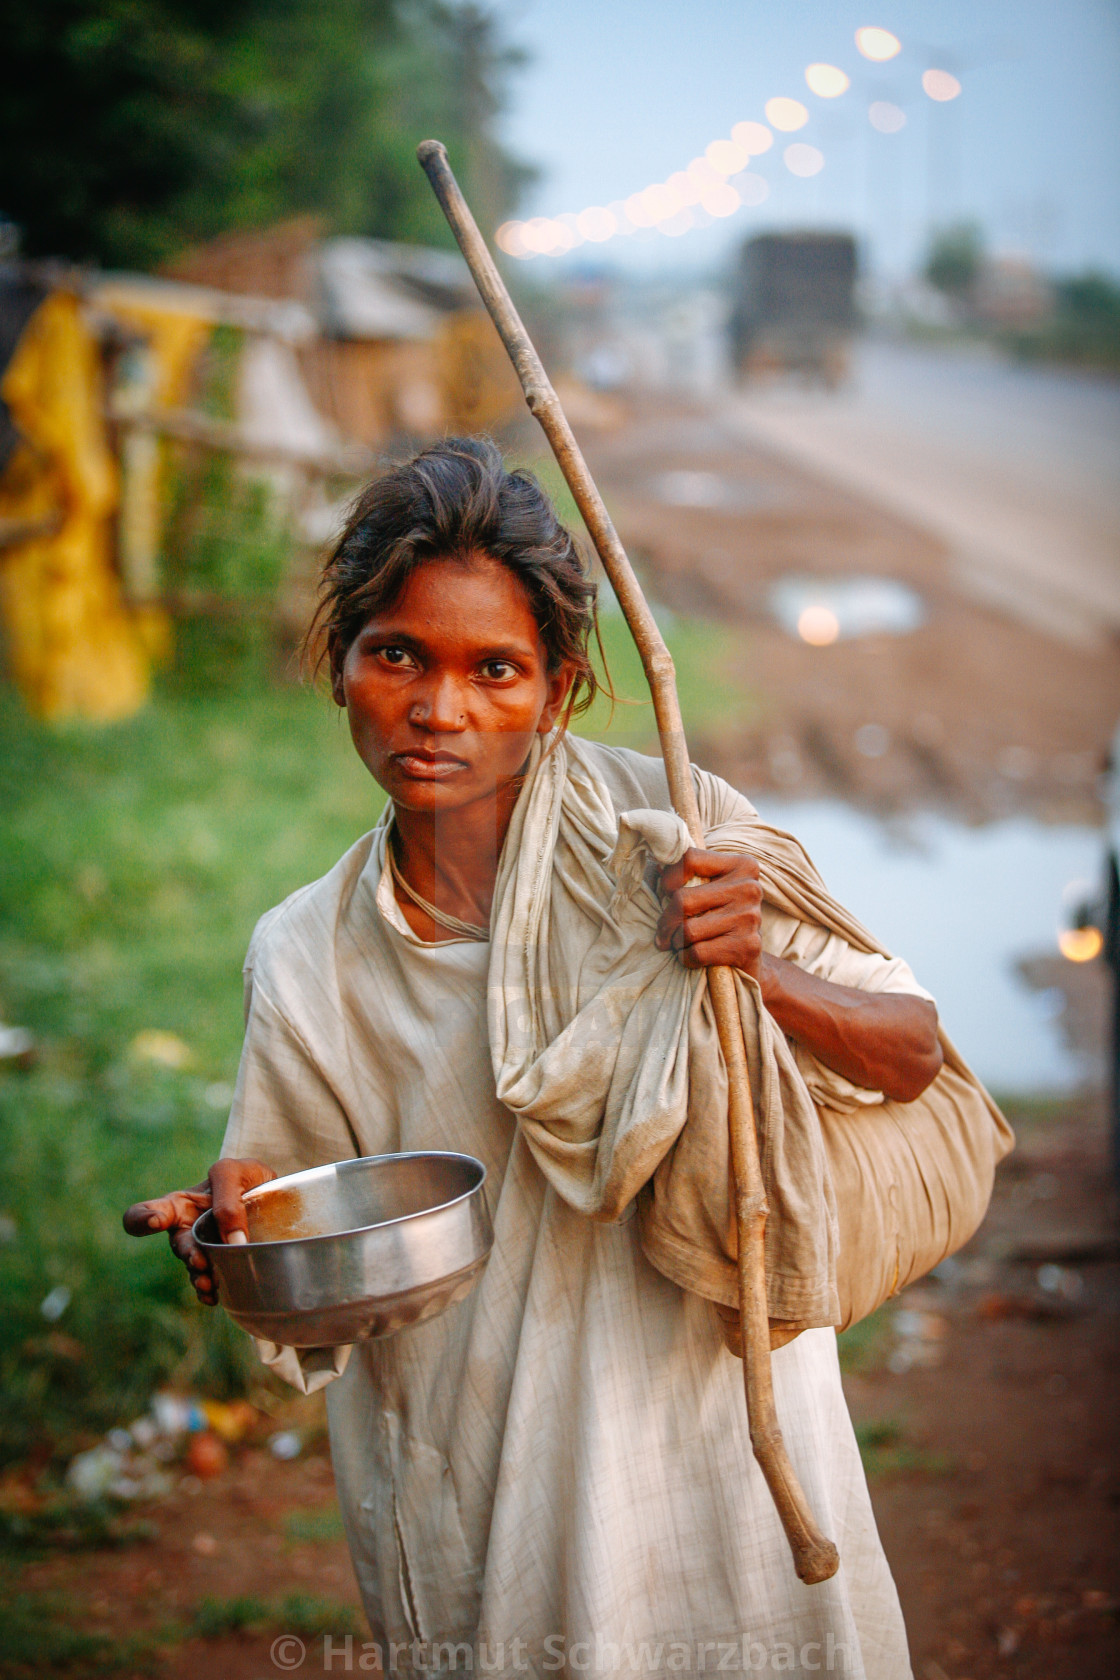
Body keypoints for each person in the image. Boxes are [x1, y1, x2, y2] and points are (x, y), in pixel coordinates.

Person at [125, 438, 943, 1678]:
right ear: (339, 665)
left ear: (557, 690)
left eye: (492, 670)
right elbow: (284, 1205)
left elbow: (910, 1054)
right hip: (480, 1486)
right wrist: (230, 1237)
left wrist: (754, 971)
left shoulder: (674, 838)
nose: (438, 708)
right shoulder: (307, 952)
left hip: (720, 1464)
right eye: (397, 653)